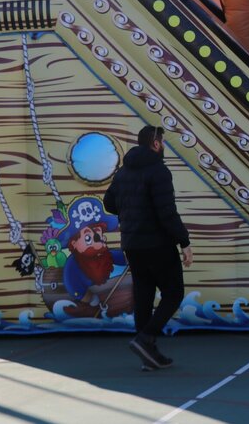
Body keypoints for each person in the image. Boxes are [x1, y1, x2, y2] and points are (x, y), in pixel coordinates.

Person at [104, 125, 193, 371]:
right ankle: (146, 339)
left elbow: (109, 203)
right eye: (162, 141)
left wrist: (130, 209)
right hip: (158, 243)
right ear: (155, 143)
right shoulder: (159, 171)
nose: (163, 145)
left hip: (132, 244)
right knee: (173, 293)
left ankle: (148, 354)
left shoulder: (123, 172)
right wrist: (184, 242)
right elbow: (167, 213)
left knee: (143, 295)